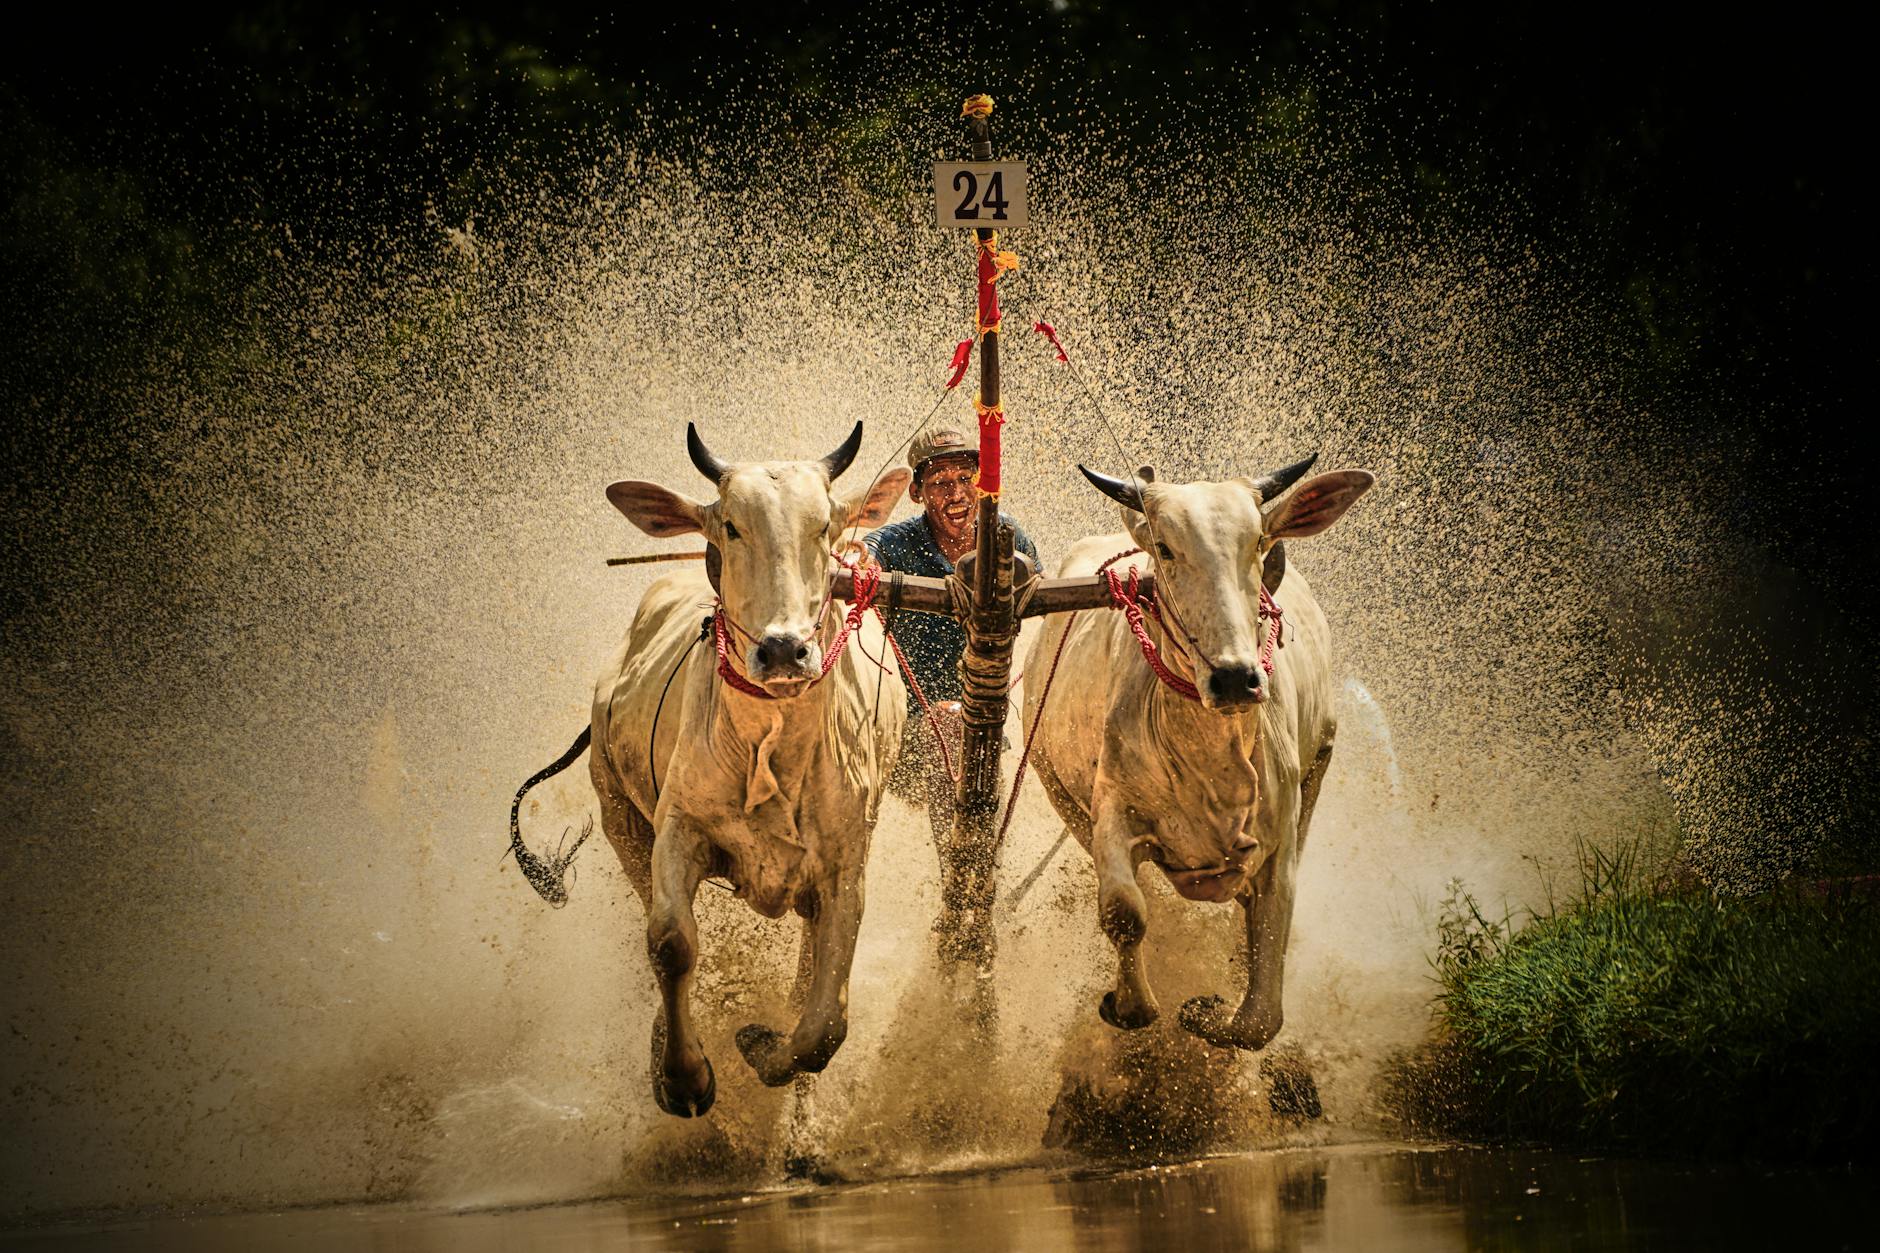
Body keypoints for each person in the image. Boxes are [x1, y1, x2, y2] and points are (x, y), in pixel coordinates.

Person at [863, 427, 1042, 849]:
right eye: (941, 484)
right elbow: (867, 550)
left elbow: (1038, 589)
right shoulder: (897, 543)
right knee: (947, 721)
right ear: (916, 493)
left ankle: (982, 866)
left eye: (966, 479)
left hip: (989, 719)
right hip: (902, 729)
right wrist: (860, 563)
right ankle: (960, 876)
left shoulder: (1007, 538)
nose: (957, 494)